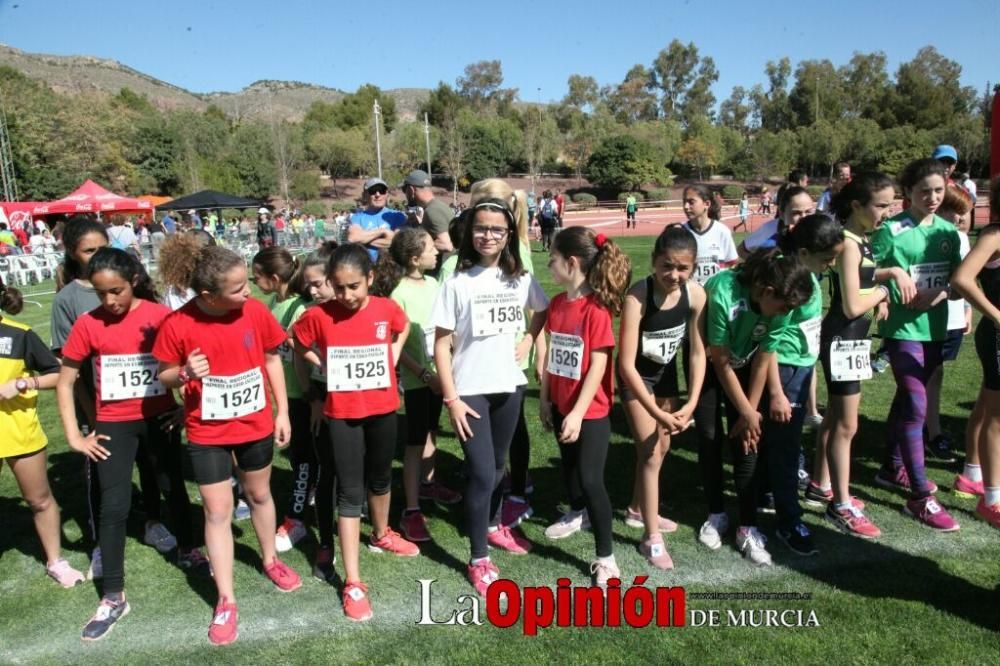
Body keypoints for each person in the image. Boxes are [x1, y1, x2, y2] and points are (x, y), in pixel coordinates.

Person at [153, 245, 301, 646]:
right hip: (207, 433)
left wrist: (282, 412)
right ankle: (226, 598)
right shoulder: (177, 323)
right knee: (217, 513)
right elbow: (163, 374)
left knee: (258, 495)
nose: (248, 293)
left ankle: (270, 559)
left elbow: (272, 359)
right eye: (237, 289)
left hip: (254, 423)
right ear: (207, 296)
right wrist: (183, 373)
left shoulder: (254, 312)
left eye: (247, 283)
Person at [57, 248, 205, 641]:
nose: (110, 301)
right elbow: (66, 378)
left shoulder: (160, 317)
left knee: (174, 486)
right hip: (113, 426)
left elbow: (187, 364)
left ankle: (189, 549)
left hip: (158, 419)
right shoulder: (88, 324)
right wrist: (75, 434)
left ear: (134, 281)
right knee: (115, 505)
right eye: (101, 293)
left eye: (116, 291)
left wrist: (184, 408)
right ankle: (113, 595)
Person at [293, 243, 418, 622]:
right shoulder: (319, 315)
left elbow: (403, 325)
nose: (346, 295)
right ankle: (354, 581)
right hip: (343, 415)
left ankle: (381, 533)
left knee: (380, 479)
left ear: (370, 279)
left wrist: (394, 354)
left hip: (383, 410)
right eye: (339, 286)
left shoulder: (385, 308)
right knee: (350, 492)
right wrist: (324, 367)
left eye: (354, 287)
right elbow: (297, 344)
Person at [431, 194, 549, 595]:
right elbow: (441, 345)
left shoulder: (519, 278)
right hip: (470, 392)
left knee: (498, 467)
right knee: (482, 472)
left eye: (497, 229)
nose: (488, 235)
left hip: (509, 387)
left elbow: (543, 310)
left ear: (508, 235)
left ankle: (495, 524)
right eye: (481, 228)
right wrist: (451, 399)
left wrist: (529, 339)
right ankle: (478, 557)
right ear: (469, 231)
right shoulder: (457, 282)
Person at [699, 249, 815, 565]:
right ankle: (717, 513)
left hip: (747, 363)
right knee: (710, 434)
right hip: (709, 363)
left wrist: (750, 412)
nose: (786, 312)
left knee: (748, 441)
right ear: (765, 292)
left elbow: (764, 356)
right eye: (784, 306)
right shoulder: (723, 291)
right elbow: (720, 361)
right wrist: (749, 413)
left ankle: (747, 526)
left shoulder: (782, 307)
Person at [871, 157, 963, 532]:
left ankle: (892, 468)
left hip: (935, 329)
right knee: (916, 405)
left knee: (907, 401)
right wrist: (886, 283)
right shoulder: (891, 230)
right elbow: (861, 269)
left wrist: (938, 294)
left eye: (938, 190)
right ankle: (920, 497)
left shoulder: (947, 230)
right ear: (908, 192)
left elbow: (959, 282)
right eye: (924, 190)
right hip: (902, 330)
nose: (932, 197)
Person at [540, 227, 631, 586]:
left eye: (553, 260)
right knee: (570, 469)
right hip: (562, 404)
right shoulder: (557, 305)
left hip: (590, 412)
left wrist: (578, 412)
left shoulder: (596, 311)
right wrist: (546, 397)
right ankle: (578, 513)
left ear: (572, 262)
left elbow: (598, 364)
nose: (549, 266)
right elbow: (550, 355)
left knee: (592, 480)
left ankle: (606, 558)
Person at [810, 173, 895, 539]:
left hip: (852, 338)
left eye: (891, 204)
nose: (887, 213)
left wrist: (881, 281)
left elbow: (862, 283)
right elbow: (851, 303)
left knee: (834, 418)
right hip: (843, 337)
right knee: (847, 424)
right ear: (857, 206)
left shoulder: (862, 240)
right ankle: (840, 505)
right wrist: (883, 290)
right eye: (881, 205)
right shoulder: (848, 242)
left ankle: (820, 484)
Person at [616, 226, 706, 569]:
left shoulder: (695, 296)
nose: (674, 275)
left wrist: (692, 401)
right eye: (667, 266)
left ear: (693, 267)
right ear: (654, 262)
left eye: (683, 268)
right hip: (636, 380)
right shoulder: (638, 296)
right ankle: (650, 538)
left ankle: (639, 510)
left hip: (665, 376)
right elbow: (625, 364)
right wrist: (655, 410)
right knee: (652, 451)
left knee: (660, 448)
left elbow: (697, 353)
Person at [758, 215, 844, 556]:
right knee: (787, 449)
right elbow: (772, 343)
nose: (833, 264)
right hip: (787, 373)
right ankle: (789, 520)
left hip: (800, 370)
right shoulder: (791, 282)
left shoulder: (808, 274)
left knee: (779, 444)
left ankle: (767, 493)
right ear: (805, 252)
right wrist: (778, 391)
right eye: (827, 259)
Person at [372, 228, 462, 543]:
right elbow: (393, 347)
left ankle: (429, 482)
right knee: (414, 442)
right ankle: (411, 510)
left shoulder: (435, 283)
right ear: (414, 258)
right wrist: (424, 375)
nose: (437, 251)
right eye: (429, 248)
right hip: (418, 380)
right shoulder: (398, 293)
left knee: (432, 431)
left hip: (442, 374)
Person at [0, 275, 86, 590]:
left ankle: (56, 561)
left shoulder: (19, 335)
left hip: (18, 432)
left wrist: (22, 383)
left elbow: (59, 373)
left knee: (39, 499)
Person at [251, 248, 316, 553]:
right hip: (285, 394)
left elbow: (303, 347)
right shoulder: (272, 303)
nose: (253, 281)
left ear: (274, 278)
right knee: (301, 456)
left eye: (256, 276)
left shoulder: (300, 307)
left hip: (303, 395)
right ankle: (310, 494)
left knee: (303, 457)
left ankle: (297, 518)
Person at [951, 178, 1000, 528]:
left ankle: (971, 474)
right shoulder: (994, 235)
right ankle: (993, 499)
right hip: (997, 335)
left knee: (987, 405)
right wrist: (996, 315)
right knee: (998, 417)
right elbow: (963, 279)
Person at [293, 241, 340, 581]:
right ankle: (325, 541)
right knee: (327, 472)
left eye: (317, 282)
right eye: (307, 284)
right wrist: (313, 397)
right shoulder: (310, 315)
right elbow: (297, 349)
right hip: (324, 399)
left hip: (363, 400)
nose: (311, 289)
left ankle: (375, 528)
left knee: (361, 470)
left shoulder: (358, 307)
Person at [924, 185, 974, 463]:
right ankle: (931, 432)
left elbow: (966, 278)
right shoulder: (925, 234)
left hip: (952, 317)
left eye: (961, 211)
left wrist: (966, 309)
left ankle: (929, 430)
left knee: (937, 374)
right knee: (927, 375)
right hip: (926, 318)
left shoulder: (962, 239)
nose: (957, 217)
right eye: (952, 210)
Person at [682, 185, 739, 285]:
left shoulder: (722, 231)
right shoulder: (680, 231)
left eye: (691, 202)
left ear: (707, 204)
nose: (686, 207)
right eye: (684, 202)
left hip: (716, 295)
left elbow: (732, 264)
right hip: (690, 295)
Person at [737, 186, 815, 257]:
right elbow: (741, 250)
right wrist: (762, 268)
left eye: (808, 211)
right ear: (781, 213)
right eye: (796, 213)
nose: (804, 217)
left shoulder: (818, 229)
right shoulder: (770, 229)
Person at [348, 178, 407, 261]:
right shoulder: (357, 217)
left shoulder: (398, 216)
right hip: (366, 268)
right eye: (373, 191)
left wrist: (363, 240)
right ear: (365, 195)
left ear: (387, 194)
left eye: (382, 191)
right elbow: (353, 238)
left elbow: (398, 242)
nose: (377, 194)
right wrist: (383, 231)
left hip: (391, 269)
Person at [402, 170, 454, 258]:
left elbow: (446, 245)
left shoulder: (432, 211)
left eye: (405, 190)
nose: (405, 194)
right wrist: (419, 226)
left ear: (411, 190)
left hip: (443, 268)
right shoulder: (438, 206)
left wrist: (414, 245)